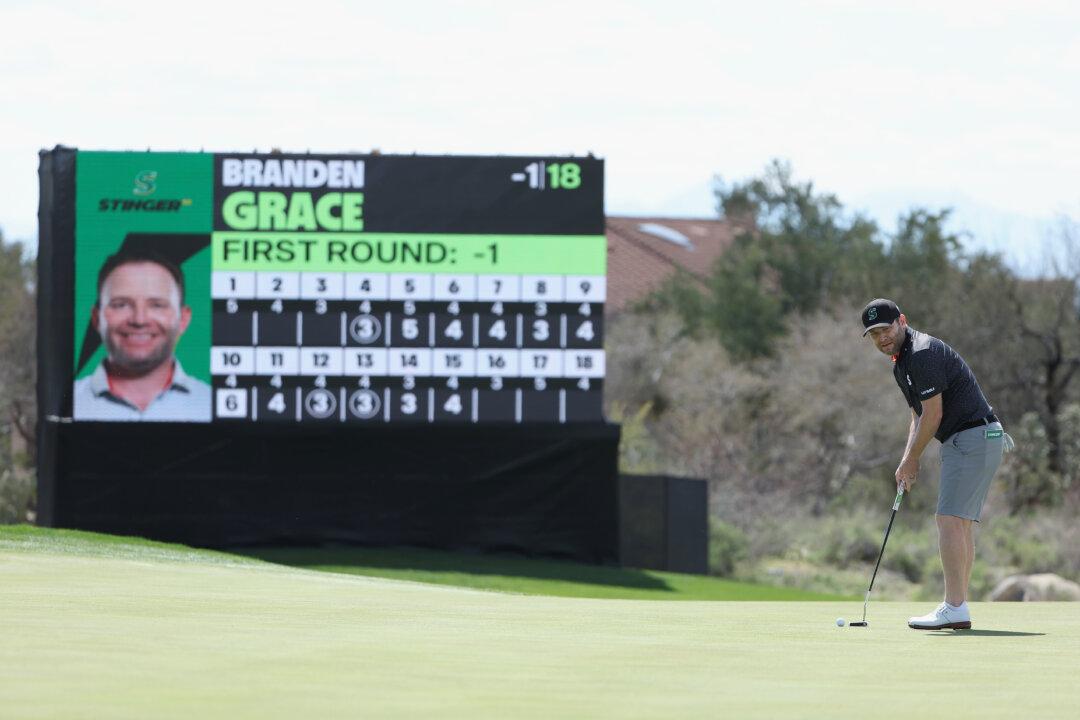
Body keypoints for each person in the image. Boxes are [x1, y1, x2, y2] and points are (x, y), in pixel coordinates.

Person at [861, 298, 1012, 630]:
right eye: (874, 335)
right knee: (959, 524)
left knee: (948, 520)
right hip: (973, 439)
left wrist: (914, 458)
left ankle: (954, 607)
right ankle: (958, 605)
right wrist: (906, 459)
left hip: (973, 437)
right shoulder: (902, 362)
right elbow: (916, 414)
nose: (882, 338)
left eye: (886, 329)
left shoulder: (922, 354)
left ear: (902, 321)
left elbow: (934, 414)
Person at [73, 250, 211, 421]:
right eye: (121, 305)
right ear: (96, 318)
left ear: (183, 319)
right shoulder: (66, 404)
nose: (139, 320)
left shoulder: (214, 405)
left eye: (157, 305)